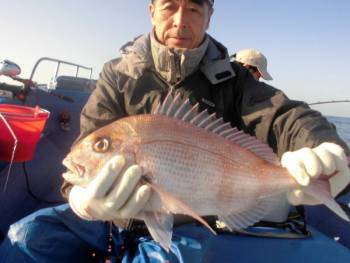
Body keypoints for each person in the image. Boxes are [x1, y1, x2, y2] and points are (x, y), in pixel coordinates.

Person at [1, 0, 350, 262]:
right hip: (108, 216)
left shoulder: (235, 81)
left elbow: (286, 116)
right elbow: (89, 139)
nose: (181, 21)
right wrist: (81, 200)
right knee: (25, 238)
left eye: (194, 9)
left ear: (209, 15)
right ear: (152, 10)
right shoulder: (118, 75)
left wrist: (323, 147)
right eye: (170, 6)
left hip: (190, 222)